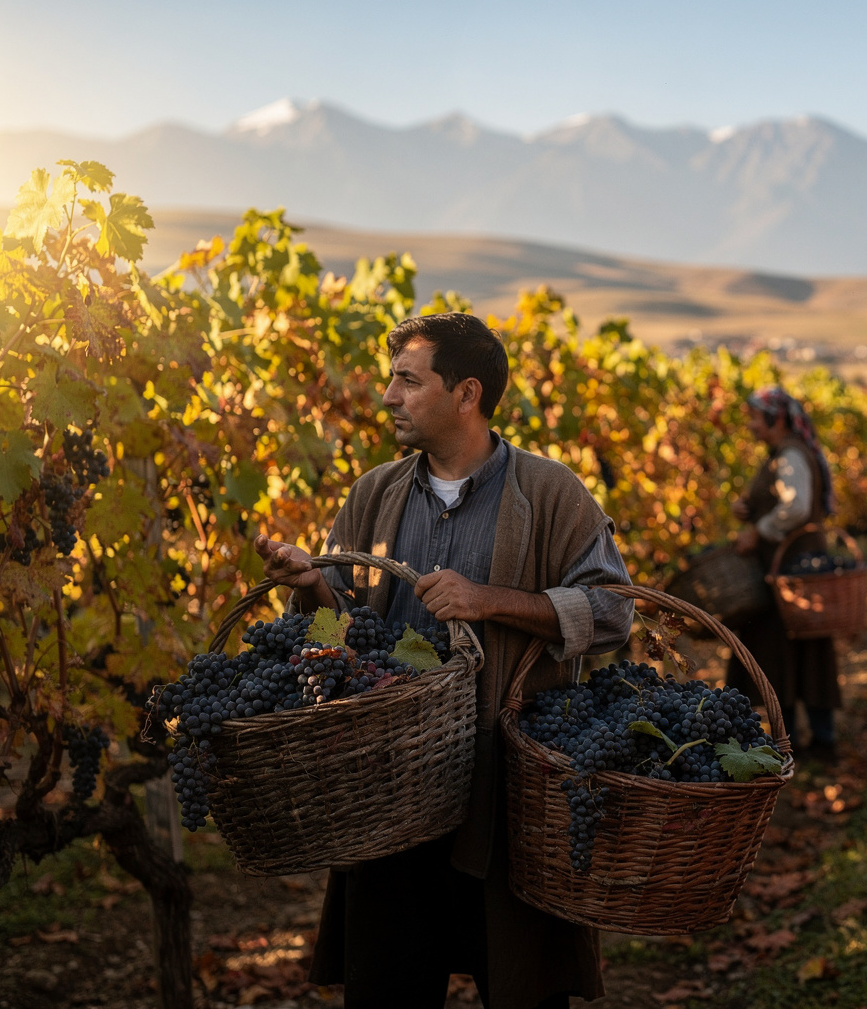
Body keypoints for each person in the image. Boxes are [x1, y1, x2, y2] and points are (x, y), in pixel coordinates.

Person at [253, 312, 636, 1009]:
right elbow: (342, 629)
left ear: (466, 393)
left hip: (505, 791)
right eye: (390, 379)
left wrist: (491, 600)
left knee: (523, 986)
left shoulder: (552, 493)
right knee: (387, 984)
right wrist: (311, 585)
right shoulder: (374, 492)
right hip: (387, 786)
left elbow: (613, 608)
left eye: (407, 380)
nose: (389, 397)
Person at [727, 385, 841, 763]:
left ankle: (806, 742)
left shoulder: (790, 455)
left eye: (756, 418)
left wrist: (757, 530)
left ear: (776, 419)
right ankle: (803, 739)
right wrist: (751, 509)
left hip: (793, 571)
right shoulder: (783, 454)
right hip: (792, 569)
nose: (751, 426)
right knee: (798, 653)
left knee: (786, 652)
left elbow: (796, 508)